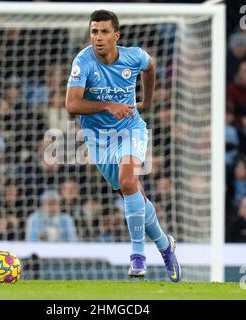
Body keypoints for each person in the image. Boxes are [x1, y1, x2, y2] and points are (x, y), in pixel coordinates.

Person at [65, 9, 180, 281]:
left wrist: (147, 101)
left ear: (116, 35)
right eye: (94, 31)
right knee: (135, 195)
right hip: (98, 139)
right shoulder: (83, 61)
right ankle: (165, 246)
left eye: (104, 31)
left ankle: (138, 258)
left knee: (128, 182)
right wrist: (107, 105)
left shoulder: (134, 56)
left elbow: (150, 66)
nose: (98, 37)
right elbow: (71, 105)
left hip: (130, 129)